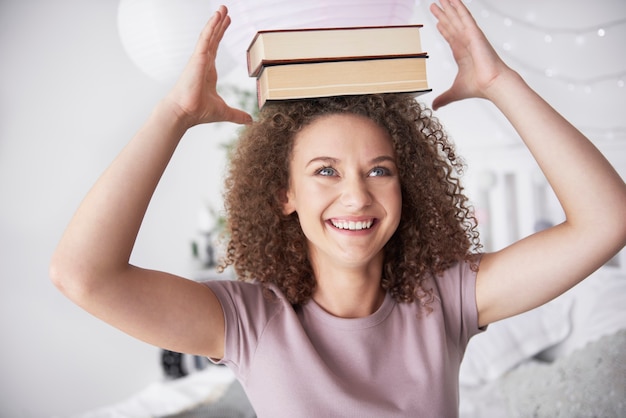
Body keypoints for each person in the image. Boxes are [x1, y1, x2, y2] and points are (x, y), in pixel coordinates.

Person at [50, 0, 626, 416]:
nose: (356, 195)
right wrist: (173, 114)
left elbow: (607, 222)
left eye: (380, 170)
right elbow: (82, 275)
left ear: (408, 188)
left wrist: (498, 81)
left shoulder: (447, 298)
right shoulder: (249, 323)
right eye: (325, 171)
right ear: (284, 194)